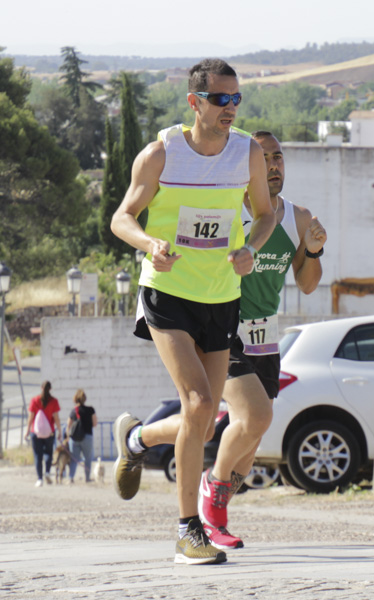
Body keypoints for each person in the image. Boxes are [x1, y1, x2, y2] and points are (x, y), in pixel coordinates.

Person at [110, 57, 274, 565]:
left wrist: (251, 247)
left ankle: (136, 439)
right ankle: (188, 530)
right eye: (220, 99)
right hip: (169, 291)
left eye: (236, 98)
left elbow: (264, 214)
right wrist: (147, 242)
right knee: (200, 403)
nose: (230, 108)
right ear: (194, 102)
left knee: (200, 418)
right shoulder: (159, 155)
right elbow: (121, 217)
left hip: (222, 296)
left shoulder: (247, 153)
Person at [199, 130, 326, 549]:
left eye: (279, 157)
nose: (273, 166)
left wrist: (312, 251)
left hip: (265, 338)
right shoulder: (229, 210)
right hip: (224, 328)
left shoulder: (299, 217)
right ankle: (212, 500)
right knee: (256, 418)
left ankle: (138, 438)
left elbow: (308, 286)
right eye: (265, 158)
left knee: (248, 445)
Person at [27, 381, 60, 487]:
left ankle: (40, 479)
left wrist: (27, 430)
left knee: (38, 455)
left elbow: (31, 417)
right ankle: (47, 472)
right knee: (48, 453)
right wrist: (59, 430)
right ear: (50, 389)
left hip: (35, 432)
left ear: (41, 388)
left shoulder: (34, 400)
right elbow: (56, 417)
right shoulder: (54, 401)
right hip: (49, 432)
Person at [66, 389, 98, 483]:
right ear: (85, 399)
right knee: (87, 458)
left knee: (74, 458)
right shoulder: (91, 410)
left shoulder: (74, 411)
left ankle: (71, 478)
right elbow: (95, 423)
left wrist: (67, 437)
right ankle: (87, 478)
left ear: (75, 399)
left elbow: (68, 425)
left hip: (74, 438)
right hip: (87, 437)